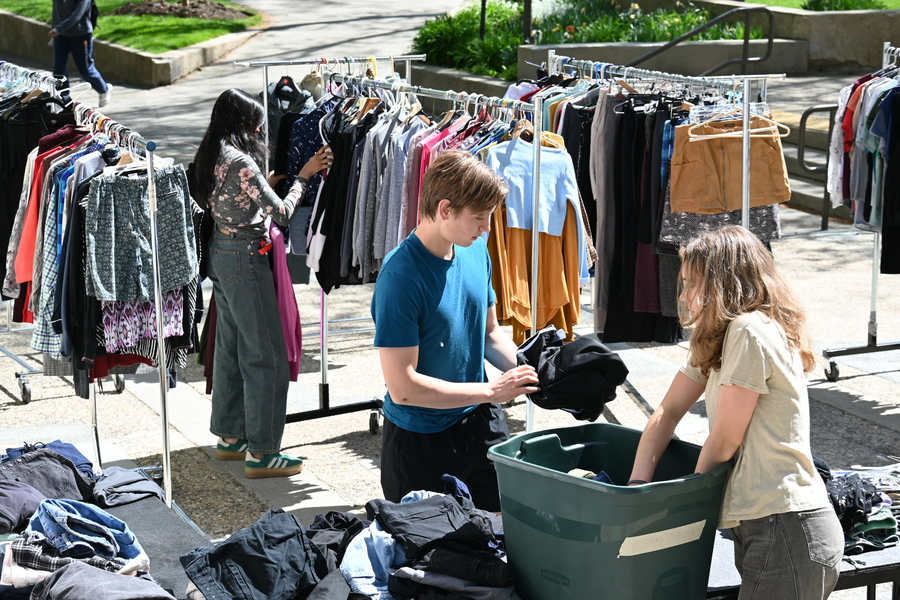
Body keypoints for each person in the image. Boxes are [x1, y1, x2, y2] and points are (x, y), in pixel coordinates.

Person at [628, 226, 844, 599]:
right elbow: (668, 410)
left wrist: (690, 500)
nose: (684, 295)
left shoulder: (748, 330)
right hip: (769, 524)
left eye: (691, 283)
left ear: (721, 282)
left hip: (785, 523)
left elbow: (727, 437)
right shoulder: (721, 336)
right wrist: (637, 485)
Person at [370, 150, 540, 512]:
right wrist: (492, 390)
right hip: (421, 440)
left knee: (504, 532)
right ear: (445, 209)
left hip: (480, 422)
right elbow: (403, 388)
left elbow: (489, 333)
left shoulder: (476, 251)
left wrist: (535, 373)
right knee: (431, 547)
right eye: (479, 217)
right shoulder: (400, 277)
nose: (486, 228)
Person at [192, 88, 332, 479]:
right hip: (245, 258)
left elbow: (231, 200)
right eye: (255, 123)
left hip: (221, 254)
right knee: (267, 355)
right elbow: (283, 213)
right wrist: (303, 177)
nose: (259, 129)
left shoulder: (212, 153)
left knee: (232, 347)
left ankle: (231, 436)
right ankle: (264, 452)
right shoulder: (241, 161)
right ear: (241, 124)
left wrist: (263, 184)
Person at [49, 0, 111, 107]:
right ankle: (62, 99)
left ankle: (104, 89)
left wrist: (58, 29)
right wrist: (54, 32)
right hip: (61, 36)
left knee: (85, 69)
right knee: (58, 69)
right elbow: (56, 12)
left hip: (80, 35)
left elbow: (77, 15)